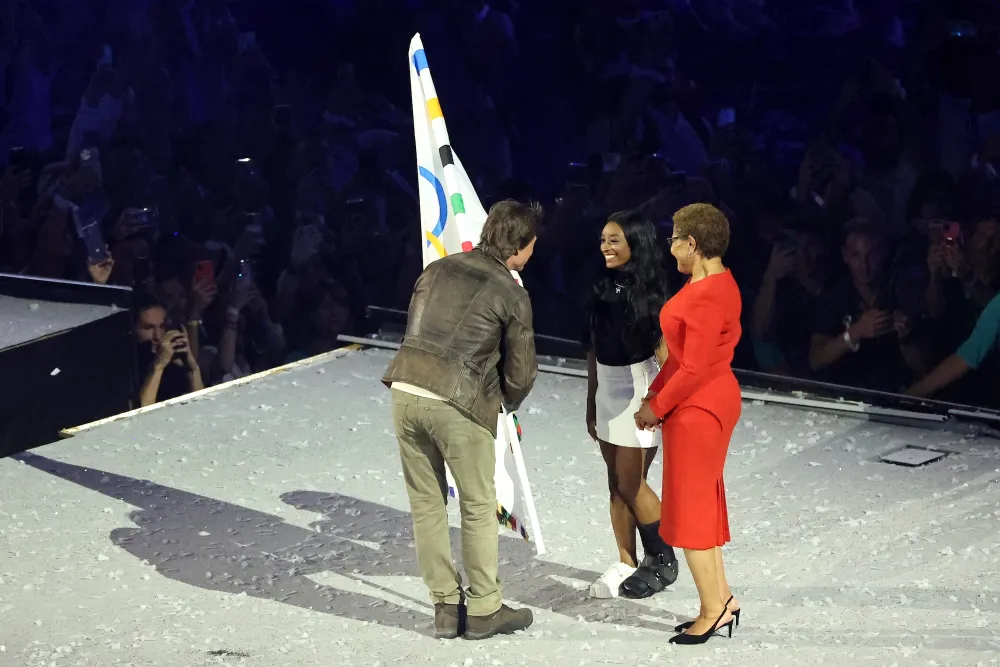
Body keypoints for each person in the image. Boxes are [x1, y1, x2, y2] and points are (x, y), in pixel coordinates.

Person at [382, 199, 541, 640]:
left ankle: (446, 610)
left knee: (426, 503)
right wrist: (506, 402)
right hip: (457, 402)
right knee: (476, 504)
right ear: (522, 247)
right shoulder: (512, 291)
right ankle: (486, 609)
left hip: (404, 389)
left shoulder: (437, 268)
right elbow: (521, 372)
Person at [634, 203, 742, 645]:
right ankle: (723, 599)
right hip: (702, 401)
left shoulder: (706, 295)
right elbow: (682, 360)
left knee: (694, 511)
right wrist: (656, 396)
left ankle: (711, 610)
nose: (671, 246)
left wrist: (656, 407)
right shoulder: (716, 283)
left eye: (675, 238)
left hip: (701, 408)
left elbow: (693, 368)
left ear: (692, 244)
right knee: (702, 505)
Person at [583, 210, 678, 599]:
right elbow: (592, 348)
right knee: (615, 485)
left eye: (614, 240)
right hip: (606, 387)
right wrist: (591, 401)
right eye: (604, 238)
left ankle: (663, 558)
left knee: (631, 482)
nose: (605, 246)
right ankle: (625, 560)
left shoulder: (654, 297)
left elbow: (668, 359)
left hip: (638, 388)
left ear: (634, 244)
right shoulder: (599, 287)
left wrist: (658, 402)